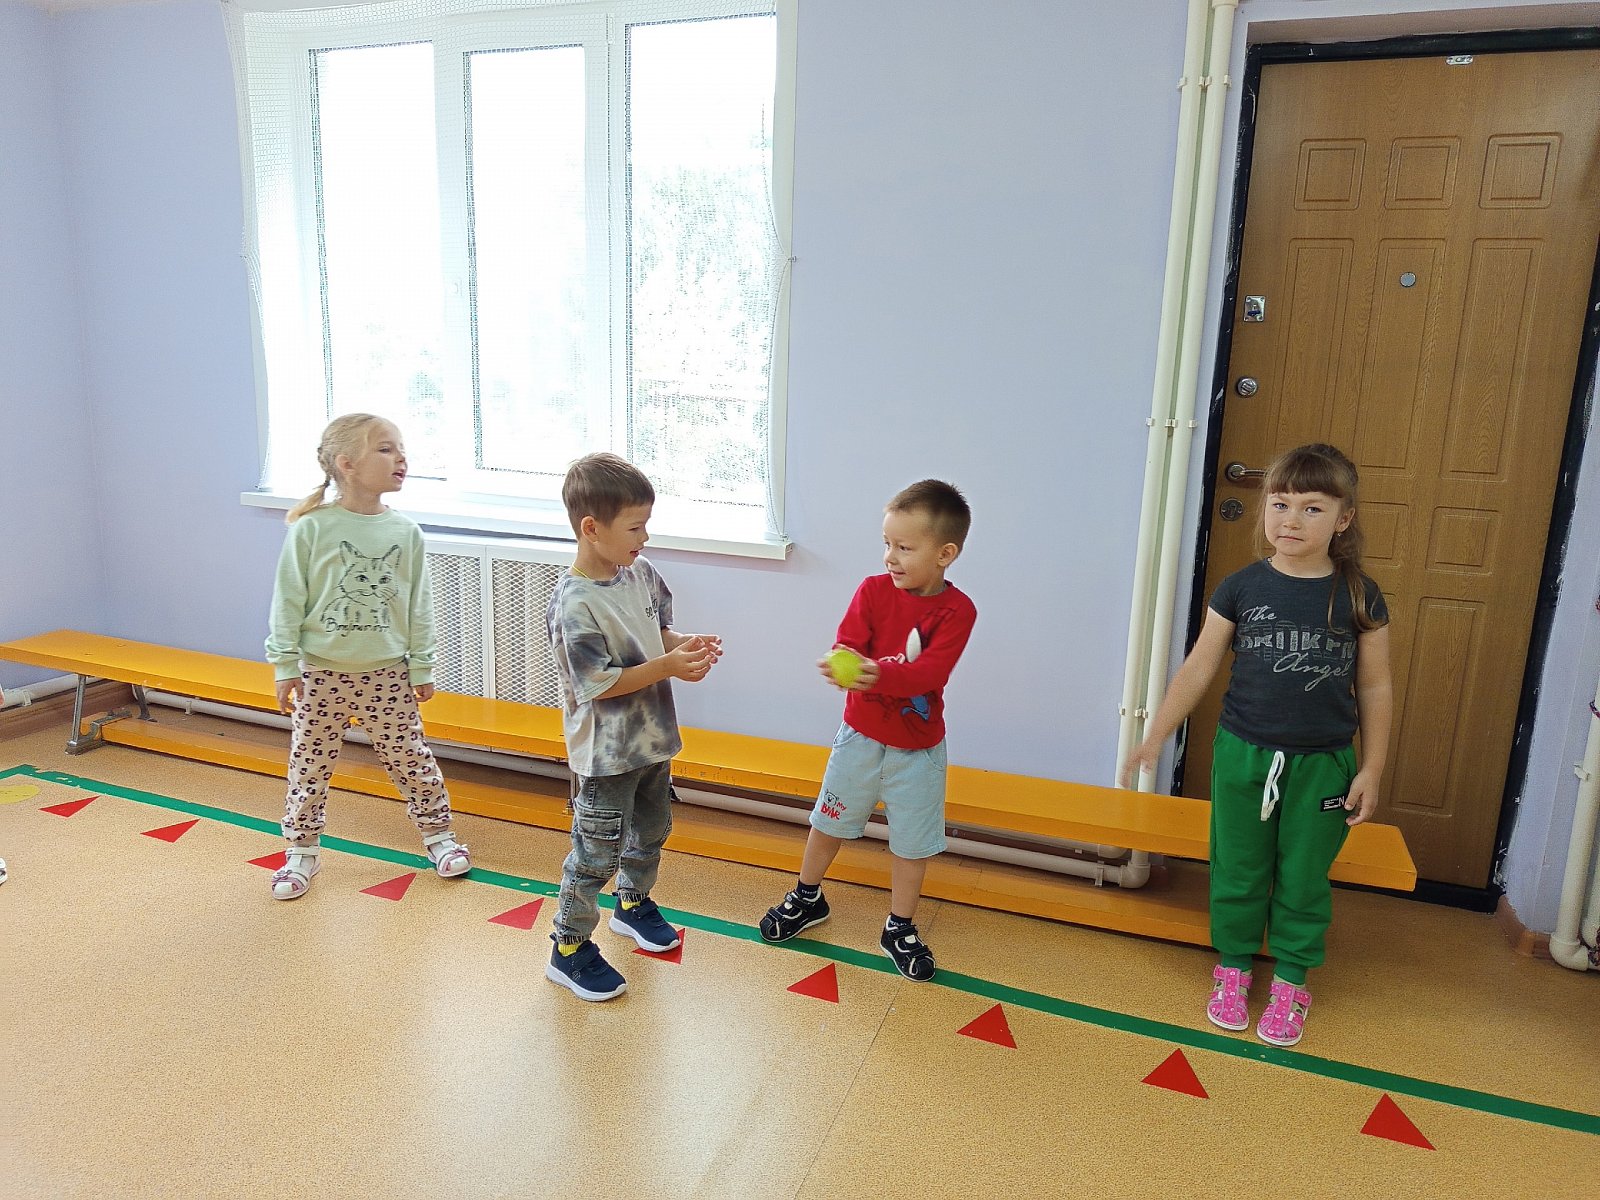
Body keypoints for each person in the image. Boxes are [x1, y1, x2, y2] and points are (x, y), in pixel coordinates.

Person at [1121, 443, 1393, 1047]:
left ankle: (1292, 980)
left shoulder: (1359, 595)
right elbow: (1199, 667)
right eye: (1279, 504)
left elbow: (1375, 686)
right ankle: (1234, 967)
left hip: (1324, 765)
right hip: (1244, 755)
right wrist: (1156, 734)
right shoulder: (1241, 588)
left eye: (1312, 508)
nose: (1291, 520)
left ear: (1343, 518)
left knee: (1303, 876)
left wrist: (1371, 768)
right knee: (1238, 867)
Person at [759, 480, 976, 982]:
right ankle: (807, 897)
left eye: (905, 547)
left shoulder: (958, 610)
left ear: (945, 554)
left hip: (918, 752)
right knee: (828, 821)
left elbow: (930, 674)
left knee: (912, 844)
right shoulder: (873, 591)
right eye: (887, 544)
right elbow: (849, 641)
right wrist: (842, 662)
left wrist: (877, 674)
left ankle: (899, 926)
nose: (890, 557)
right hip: (859, 737)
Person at [264, 413, 470, 899]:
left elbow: (419, 605)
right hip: (320, 674)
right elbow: (288, 599)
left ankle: (439, 836)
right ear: (347, 463)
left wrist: (421, 664)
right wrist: (285, 665)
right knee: (310, 765)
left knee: (410, 758)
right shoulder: (311, 529)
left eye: (401, 449)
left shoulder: (406, 532)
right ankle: (301, 851)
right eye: (386, 448)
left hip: (387, 674)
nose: (401, 458)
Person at [544, 453, 722, 1001]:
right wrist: (667, 666)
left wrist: (684, 646)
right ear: (591, 529)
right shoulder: (573, 604)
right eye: (635, 527)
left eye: (646, 524)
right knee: (595, 853)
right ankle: (568, 947)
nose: (645, 537)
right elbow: (597, 684)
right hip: (606, 756)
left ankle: (632, 903)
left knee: (652, 831)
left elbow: (657, 632)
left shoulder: (640, 573)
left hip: (652, 740)